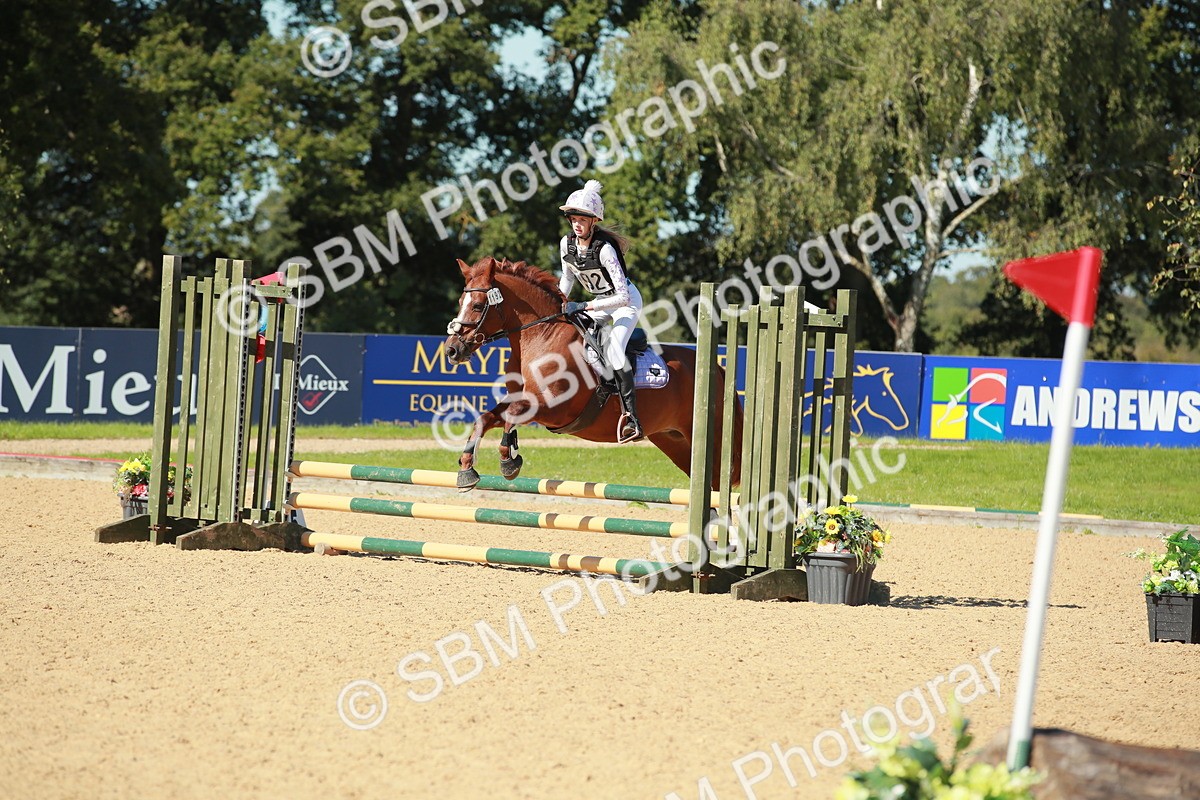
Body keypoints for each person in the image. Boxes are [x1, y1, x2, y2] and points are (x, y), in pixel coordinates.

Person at [557, 179, 644, 443]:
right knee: (579, 339)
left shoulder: (605, 249)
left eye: (582, 220)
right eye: (574, 219)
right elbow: (567, 278)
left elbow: (622, 296)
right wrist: (559, 303)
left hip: (625, 303)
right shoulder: (566, 244)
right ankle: (605, 387)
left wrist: (584, 305)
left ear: (594, 221)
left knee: (615, 349)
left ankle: (632, 418)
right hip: (600, 302)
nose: (577, 224)